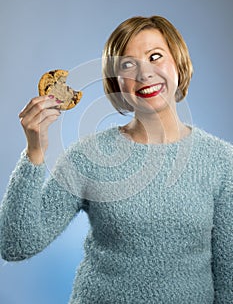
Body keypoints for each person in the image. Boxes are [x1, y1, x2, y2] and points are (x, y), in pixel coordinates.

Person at [0, 15, 232, 304]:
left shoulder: (221, 161)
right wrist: (35, 151)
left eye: (155, 56)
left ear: (179, 63)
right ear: (116, 82)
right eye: (127, 65)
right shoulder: (88, 157)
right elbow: (16, 244)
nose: (144, 74)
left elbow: (228, 279)